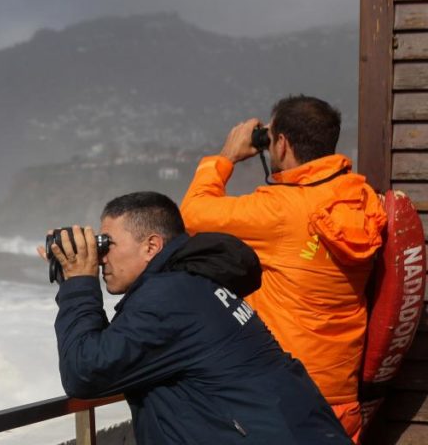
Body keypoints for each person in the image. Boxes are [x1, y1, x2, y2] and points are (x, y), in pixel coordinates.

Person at [39, 191, 351, 444]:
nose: (100, 258)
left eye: (107, 244)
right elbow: (117, 354)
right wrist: (73, 278)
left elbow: (85, 371)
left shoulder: (169, 298)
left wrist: (78, 282)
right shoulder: (194, 284)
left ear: (151, 246)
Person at [180, 95, 387, 442]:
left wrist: (226, 157)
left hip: (289, 398)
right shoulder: (361, 198)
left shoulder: (279, 210)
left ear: (281, 143)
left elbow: (193, 214)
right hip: (341, 397)